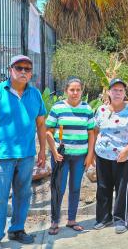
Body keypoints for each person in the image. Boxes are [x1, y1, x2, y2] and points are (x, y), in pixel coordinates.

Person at [0, 55, 46, 249]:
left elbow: (41, 124)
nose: (24, 72)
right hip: (2, 156)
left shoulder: (35, 94)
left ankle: (17, 229)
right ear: (11, 69)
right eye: (19, 68)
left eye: (27, 68)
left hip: (26, 155)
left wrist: (42, 150)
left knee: (23, 195)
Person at [45, 78, 95, 235]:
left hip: (80, 157)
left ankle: (72, 219)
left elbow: (91, 133)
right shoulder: (58, 108)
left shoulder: (87, 109)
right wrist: (54, 151)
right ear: (66, 91)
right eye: (72, 90)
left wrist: (90, 155)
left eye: (78, 90)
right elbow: (48, 131)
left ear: (82, 91)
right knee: (58, 188)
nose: (75, 93)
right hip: (61, 157)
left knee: (75, 188)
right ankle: (54, 221)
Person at [92, 78, 128, 234]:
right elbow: (95, 131)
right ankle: (103, 218)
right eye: (115, 90)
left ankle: (121, 220)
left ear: (125, 93)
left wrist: (127, 150)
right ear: (109, 92)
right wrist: (93, 152)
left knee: (121, 189)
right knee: (102, 187)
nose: (118, 93)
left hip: (123, 156)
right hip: (102, 156)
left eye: (121, 90)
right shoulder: (101, 110)